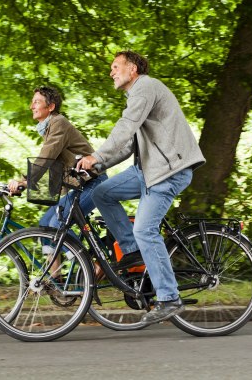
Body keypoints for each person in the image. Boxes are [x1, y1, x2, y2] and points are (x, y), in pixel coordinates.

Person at [77, 51, 205, 324]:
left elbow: (124, 127)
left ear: (132, 68)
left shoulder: (145, 87)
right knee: (102, 193)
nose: (111, 72)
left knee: (145, 229)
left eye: (115, 67)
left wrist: (96, 156)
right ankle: (132, 250)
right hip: (148, 170)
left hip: (169, 171)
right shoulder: (138, 96)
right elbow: (127, 145)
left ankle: (169, 298)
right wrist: (96, 167)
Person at [8, 86, 107, 273]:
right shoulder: (48, 128)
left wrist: (23, 181)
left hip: (94, 184)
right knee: (46, 223)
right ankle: (55, 278)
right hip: (80, 186)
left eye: (36, 102)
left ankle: (93, 266)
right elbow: (54, 165)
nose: (31, 106)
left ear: (51, 106)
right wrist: (28, 183)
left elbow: (46, 157)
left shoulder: (58, 123)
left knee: (57, 224)